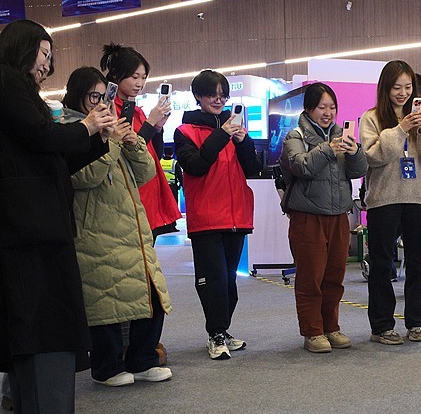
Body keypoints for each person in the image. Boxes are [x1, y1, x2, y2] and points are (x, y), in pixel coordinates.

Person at [0, 19, 116, 414]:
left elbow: (51, 158)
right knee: (46, 327)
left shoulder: (15, 89)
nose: (46, 65)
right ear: (22, 47)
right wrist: (86, 126)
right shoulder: (8, 82)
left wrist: (95, 135)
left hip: (31, 226)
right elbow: (44, 137)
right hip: (31, 230)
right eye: (43, 54)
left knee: (36, 329)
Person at [63, 66, 173, 387]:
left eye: (104, 97)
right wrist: (109, 141)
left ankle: (142, 359)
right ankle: (107, 366)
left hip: (132, 226)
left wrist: (133, 142)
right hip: (95, 230)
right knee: (105, 299)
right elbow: (85, 176)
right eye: (93, 97)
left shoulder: (109, 126)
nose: (100, 103)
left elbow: (146, 174)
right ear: (77, 96)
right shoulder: (70, 129)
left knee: (150, 293)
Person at [174, 70, 261, 360]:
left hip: (236, 216)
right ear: (198, 96)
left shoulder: (235, 130)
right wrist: (222, 135)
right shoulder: (184, 131)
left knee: (229, 281)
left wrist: (243, 141)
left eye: (223, 95)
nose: (219, 100)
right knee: (213, 281)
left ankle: (222, 330)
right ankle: (216, 333)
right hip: (207, 218)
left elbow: (252, 169)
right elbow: (196, 166)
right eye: (212, 94)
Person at [360, 60, 421, 345]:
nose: (403, 93)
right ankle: (382, 326)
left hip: (419, 198)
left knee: (418, 262)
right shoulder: (371, 118)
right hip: (384, 199)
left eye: (408, 87)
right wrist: (400, 129)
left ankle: (416, 322)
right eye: (397, 87)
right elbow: (374, 156)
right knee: (382, 264)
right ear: (386, 88)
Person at [280, 83, 368, 353]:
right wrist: (328, 149)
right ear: (309, 109)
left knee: (334, 277)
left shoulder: (342, 135)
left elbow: (359, 170)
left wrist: (354, 152)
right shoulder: (295, 136)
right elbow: (301, 166)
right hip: (308, 217)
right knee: (311, 277)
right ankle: (312, 331)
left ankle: (331, 327)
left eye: (332, 107)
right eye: (321, 107)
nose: (328, 113)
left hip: (339, 215)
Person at [99, 43, 181, 240]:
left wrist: (157, 128)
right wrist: (150, 123)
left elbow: (152, 153)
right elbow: (128, 153)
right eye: (134, 77)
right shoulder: (109, 111)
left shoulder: (136, 110)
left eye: (143, 77)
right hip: (133, 196)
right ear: (116, 75)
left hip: (150, 194)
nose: (140, 83)